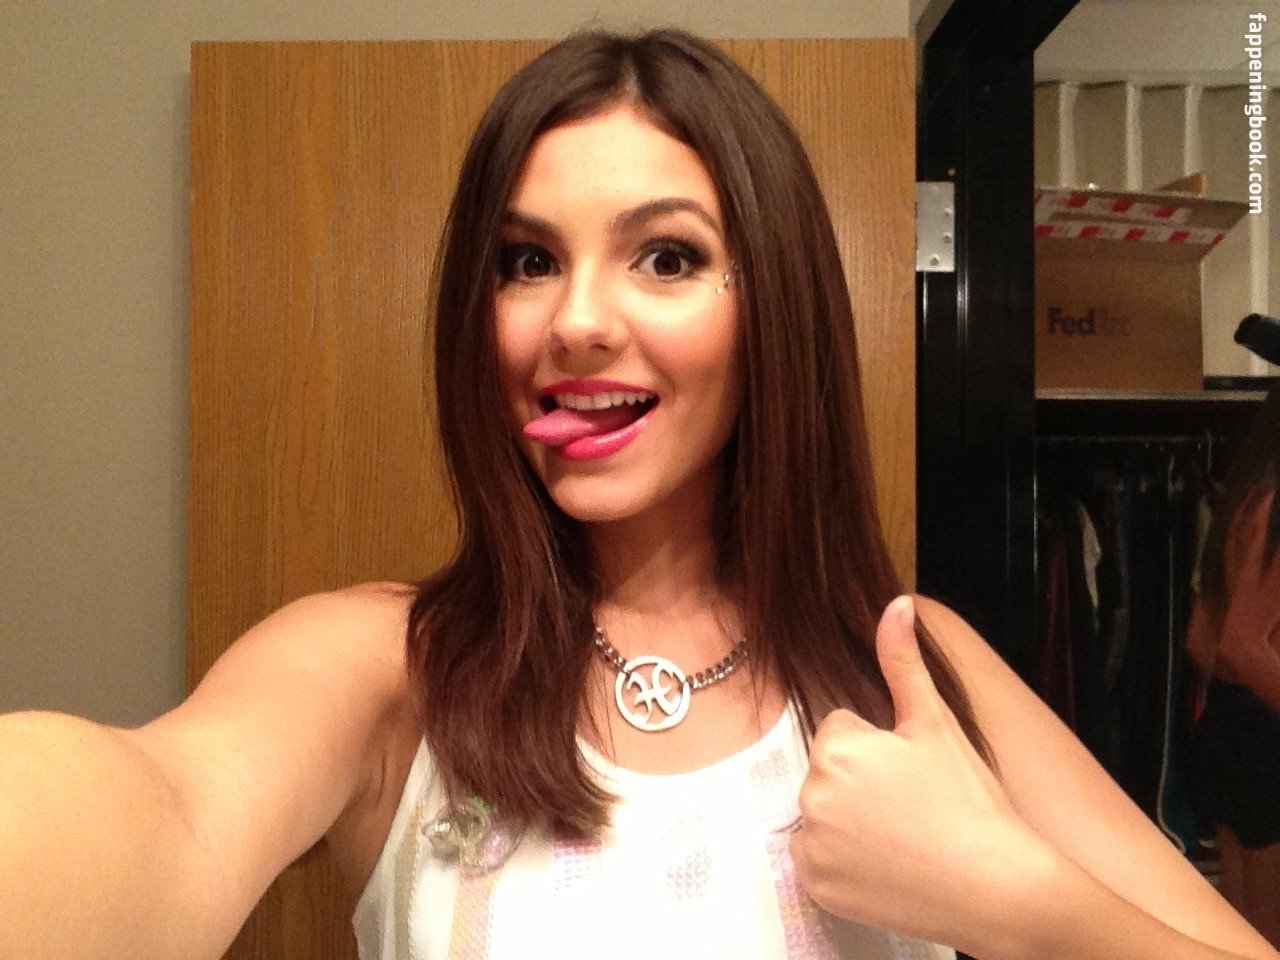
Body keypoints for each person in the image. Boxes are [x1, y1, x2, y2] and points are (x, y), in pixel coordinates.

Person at [1, 27, 1277, 960]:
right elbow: (162, 818)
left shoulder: (908, 668)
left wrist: (1014, 902)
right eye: (524, 261)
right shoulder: (385, 668)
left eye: (665, 257)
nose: (575, 321)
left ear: (771, 308)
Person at [1186, 380, 1280, 949]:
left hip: (1229, 730)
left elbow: (1202, 640)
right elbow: (1242, 642)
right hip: (1266, 738)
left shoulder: (1244, 502)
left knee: (1244, 939)